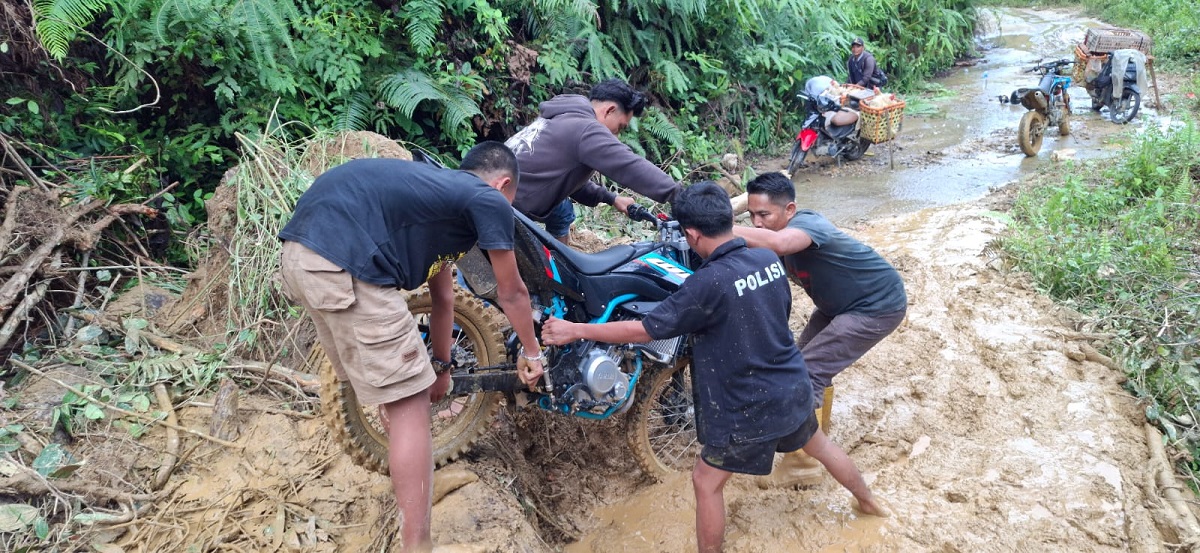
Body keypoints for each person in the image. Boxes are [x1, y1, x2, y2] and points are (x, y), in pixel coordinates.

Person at [540, 182, 889, 553]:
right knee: (819, 445)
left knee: (706, 482)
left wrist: (575, 329)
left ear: (691, 234)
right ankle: (869, 503)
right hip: (792, 384)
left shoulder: (706, 284)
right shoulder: (768, 261)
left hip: (747, 405)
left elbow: (644, 330)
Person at [277, 142, 545, 553]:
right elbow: (512, 294)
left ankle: (414, 491)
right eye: (510, 200)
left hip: (302, 258)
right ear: (503, 185)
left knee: (395, 394)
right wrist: (532, 352)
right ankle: (416, 544)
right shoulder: (486, 199)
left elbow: (444, 299)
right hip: (344, 264)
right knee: (409, 404)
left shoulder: (440, 202)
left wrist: (442, 365)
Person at [734, 171, 906, 487]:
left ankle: (803, 462)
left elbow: (778, 241)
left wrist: (717, 227)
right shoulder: (769, 234)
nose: (756, 224)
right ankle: (815, 438)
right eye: (751, 215)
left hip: (876, 305)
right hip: (836, 306)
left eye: (764, 215)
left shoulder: (807, 224)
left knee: (807, 372)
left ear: (790, 210)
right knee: (797, 365)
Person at [505, 78, 682, 242]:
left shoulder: (563, 115)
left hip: (496, 186)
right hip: (507, 206)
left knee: (563, 210)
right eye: (620, 127)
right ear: (610, 110)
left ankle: (560, 261)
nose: (617, 136)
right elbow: (628, 165)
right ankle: (558, 272)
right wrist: (678, 194)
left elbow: (563, 178)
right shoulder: (586, 128)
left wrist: (611, 198)